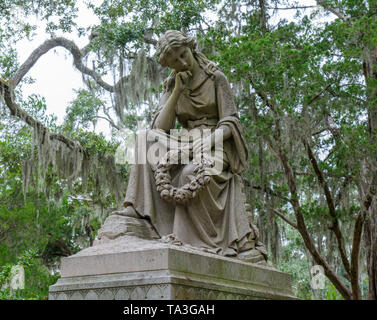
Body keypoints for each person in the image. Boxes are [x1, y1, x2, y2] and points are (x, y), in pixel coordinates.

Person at [113, 30, 267, 263]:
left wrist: (209, 140)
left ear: (191, 48)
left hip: (215, 142)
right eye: (175, 61)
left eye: (184, 55)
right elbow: (161, 127)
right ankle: (137, 212)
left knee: (189, 173)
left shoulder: (216, 78)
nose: (183, 62)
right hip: (185, 140)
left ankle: (190, 239)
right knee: (144, 138)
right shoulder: (172, 83)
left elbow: (231, 122)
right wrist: (176, 91)